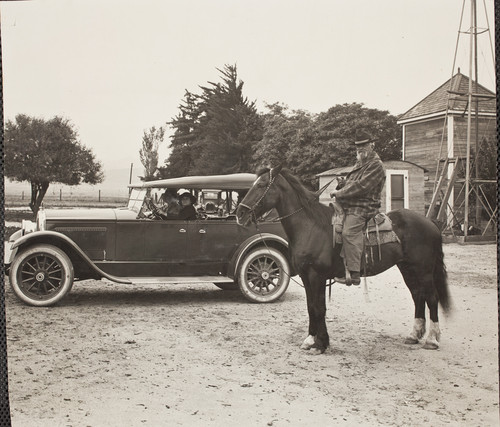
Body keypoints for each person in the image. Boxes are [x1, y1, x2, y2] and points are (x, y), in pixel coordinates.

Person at [329, 131, 386, 286]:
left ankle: (354, 273)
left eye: (363, 146)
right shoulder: (360, 163)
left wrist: (339, 192)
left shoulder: (376, 165)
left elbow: (361, 187)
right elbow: (352, 184)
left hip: (364, 206)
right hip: (351, 204)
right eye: (357, 147)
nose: (360, 149)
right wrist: (343, 184)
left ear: (372, 145)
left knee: (349, 232)